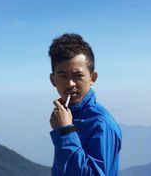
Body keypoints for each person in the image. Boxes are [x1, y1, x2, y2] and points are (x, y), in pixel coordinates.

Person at [48, 33, 122, 176]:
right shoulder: (69, 116)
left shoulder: (101, 123)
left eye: (78, 75)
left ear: (92, 78)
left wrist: (65, 132)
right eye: (62, 75)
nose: (70, 83)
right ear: (53, 80)